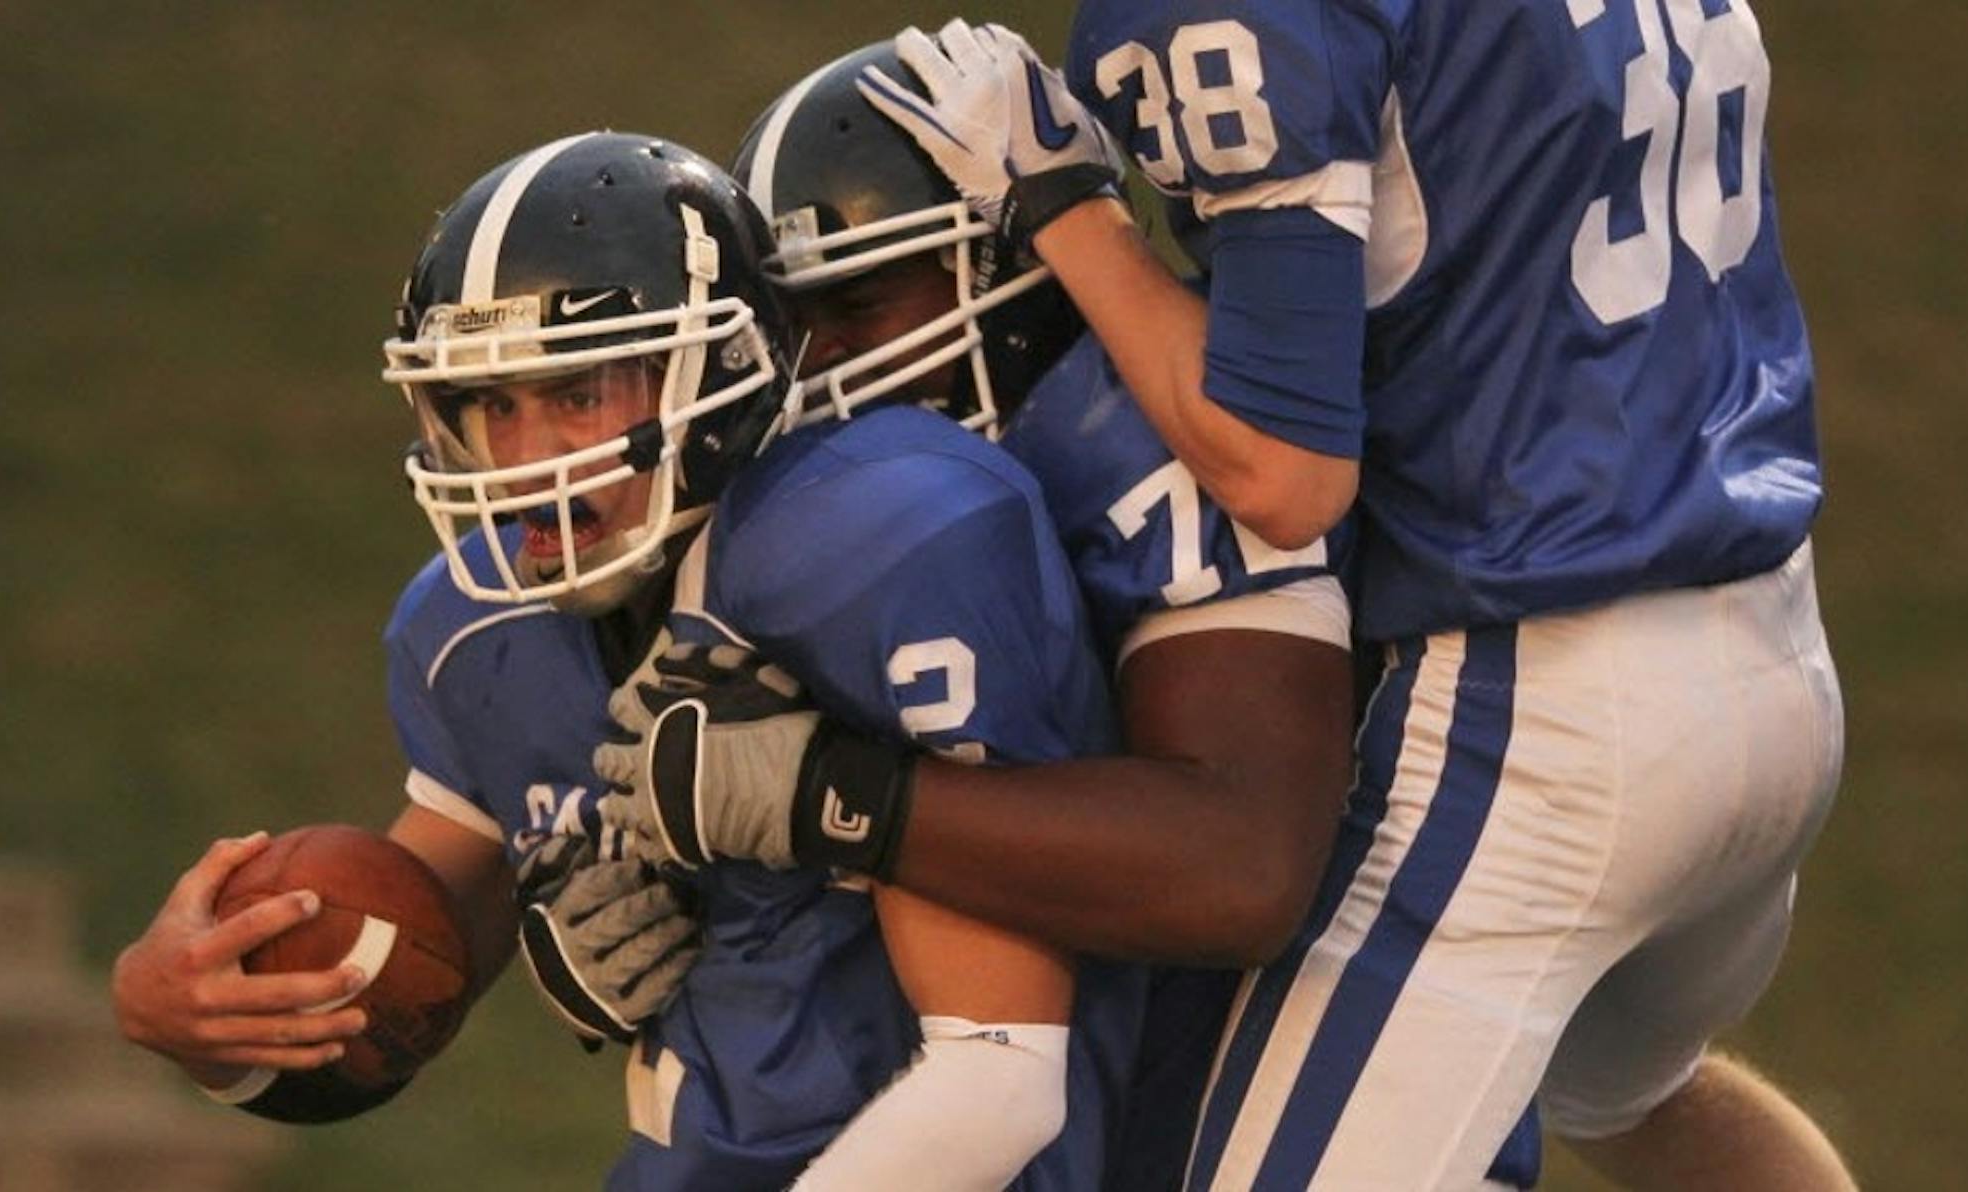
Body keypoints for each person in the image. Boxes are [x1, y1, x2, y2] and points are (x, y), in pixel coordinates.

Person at [679, 12, 1855, 1191]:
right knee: (1638, 1094)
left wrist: (1066, 206)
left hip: (1544, 701)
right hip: (1769, 638)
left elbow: (1282, 473)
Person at [570, 37, 1536, 1190]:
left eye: (860, 304)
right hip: (1104, 1089)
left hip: (1320, 1069)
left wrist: (829, 796)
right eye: (797, 324)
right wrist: (659, 894)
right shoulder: (843, 503)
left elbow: (1238, 864)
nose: (819, 370)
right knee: (1642, 1083)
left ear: (1012, 263)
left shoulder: (1139, 440)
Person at [110, 131, 1148, 1191]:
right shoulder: (477, 625)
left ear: (723, 366)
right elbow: (393, 982)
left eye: (577, 394)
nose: (525, 459)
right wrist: (191, 1017)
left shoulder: (875, 543)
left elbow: (1000, 1081)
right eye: (491, 405)